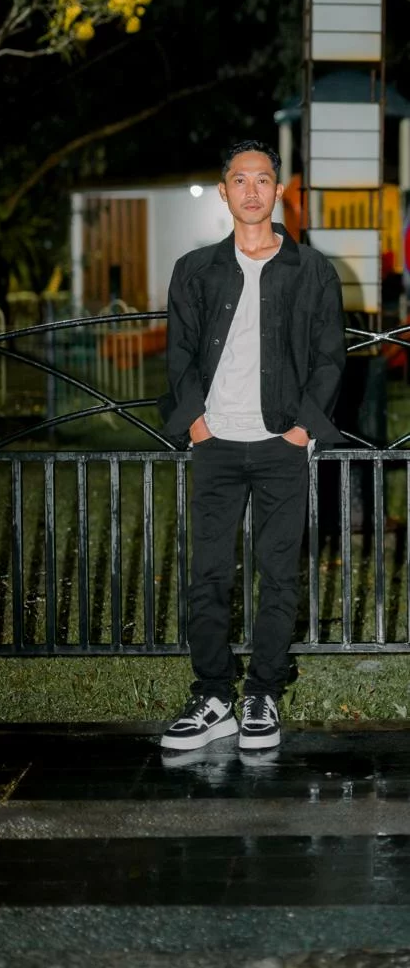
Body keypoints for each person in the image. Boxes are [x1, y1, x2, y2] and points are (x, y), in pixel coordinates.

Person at [159, 139, 346, 753]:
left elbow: (329, 357)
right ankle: (214, 696)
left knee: (278, 574)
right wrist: (195, 423)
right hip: (214, 443)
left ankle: (263, 692)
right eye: (240, 180)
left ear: (277, 190)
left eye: (262, 179)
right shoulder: (195, 269)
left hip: (279, 444)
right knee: (207, 574)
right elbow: (180, 352)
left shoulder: (311, 269)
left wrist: (301, 430)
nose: (251, 190)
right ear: (224, 191)